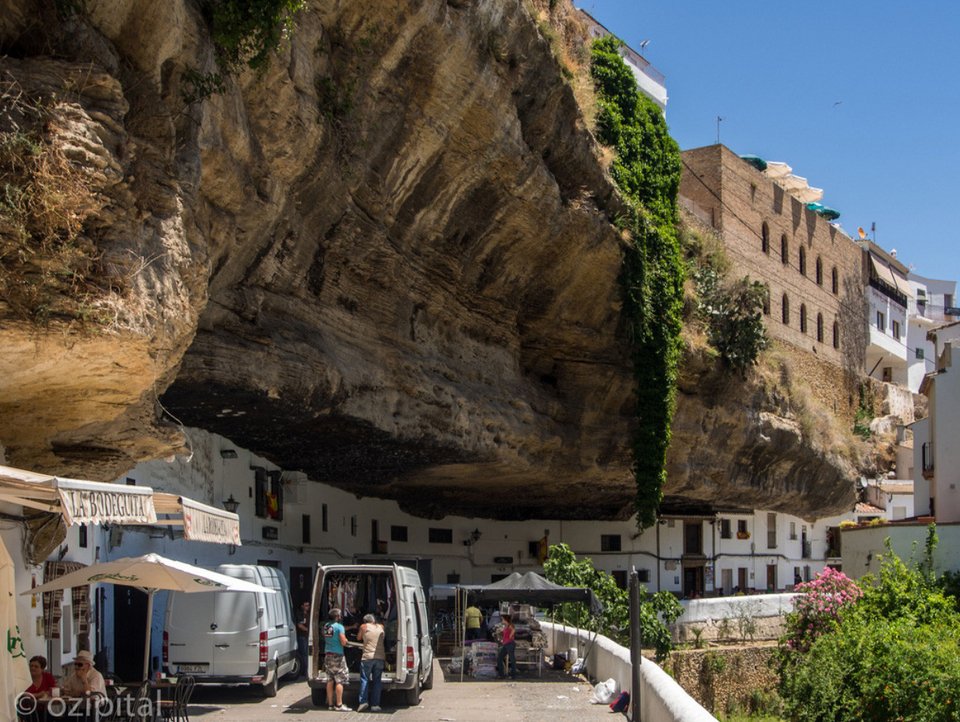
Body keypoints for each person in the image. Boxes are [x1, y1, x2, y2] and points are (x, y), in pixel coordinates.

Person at [356, 613, 386, 712]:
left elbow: (358, 638)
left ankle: (363, 702)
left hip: (367, 657)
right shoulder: (381, 626)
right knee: (377, 680)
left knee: (365, 679)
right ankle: (375, 704)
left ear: (365, 621)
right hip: (380, 657)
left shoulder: (363, 626)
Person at [323, 607, 351, 712]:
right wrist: (346, 640)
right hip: (338, 655)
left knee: (330, 679)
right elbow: (343, 642)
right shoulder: (339, 627)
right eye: (339, 615)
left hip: (328, 654)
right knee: (340, 680)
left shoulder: (326, 626)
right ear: (337, 617)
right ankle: (339, 704)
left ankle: (330, 704)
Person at [495, 614, 517, 679]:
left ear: (505, 620)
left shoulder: (510, 625)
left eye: (503, 619)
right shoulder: (505, 626)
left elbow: (514, 630)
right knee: (499, 658)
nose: (502, 620)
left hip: (510, 644)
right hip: (506, 644)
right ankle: (501, 675)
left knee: (512, 659)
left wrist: (510, 636)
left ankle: (513, 675)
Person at [296, 600, 310, 679]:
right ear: (302, 606)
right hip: (302, 636)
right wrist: (308, 630)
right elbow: (300, 625)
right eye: (306, 605)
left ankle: (306, 670)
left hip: (306, 636)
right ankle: (304, 671)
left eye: (308, 605)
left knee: (306, 653)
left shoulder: (308, 614)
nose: (308, 607)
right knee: (304, 654)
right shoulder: (300, 614)